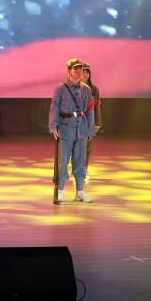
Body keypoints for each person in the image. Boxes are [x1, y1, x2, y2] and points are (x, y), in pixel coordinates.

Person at [48, 58, 96, 204]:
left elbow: (90, 110)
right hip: (66, 128)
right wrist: (53, 126)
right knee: (63, 162)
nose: (79, 71)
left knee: (80, 162)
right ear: (69, 70)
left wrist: (90, 130)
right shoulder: (61, 88)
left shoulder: (86, 90)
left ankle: (80, 192)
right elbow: (54, 107)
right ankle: (61, 190)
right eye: (76, 68)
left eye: (80, 68)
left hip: (81, 129)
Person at [79, 62, 102, 181]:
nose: (85, 74)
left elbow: (97, 107)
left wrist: (98, 123)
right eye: (83, 72)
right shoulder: (74, 87)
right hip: (76, 122)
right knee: (76, 147)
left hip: (89, 122)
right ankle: (77, 168)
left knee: (87, 147)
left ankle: (84, 169)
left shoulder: (94, 89)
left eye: (87, 72)